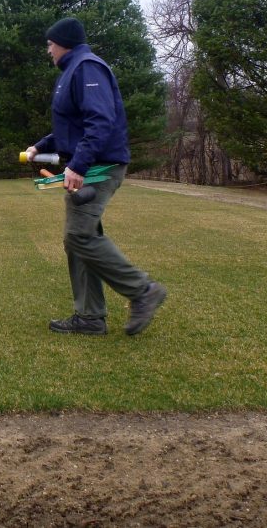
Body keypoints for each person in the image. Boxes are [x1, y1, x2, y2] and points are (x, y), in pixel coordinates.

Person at [25, 17, 167, 336]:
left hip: (98, 168)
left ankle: (143, 291)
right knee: (79, 238)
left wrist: (78, 165)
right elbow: (72, 126)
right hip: (88, 165)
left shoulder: (87, 67)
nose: (48, 50)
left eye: (50, 44)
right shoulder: (72, 72)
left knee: (79, 235)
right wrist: (41, 145)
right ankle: (89, 317)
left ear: (64, 43)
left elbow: (100, 121)